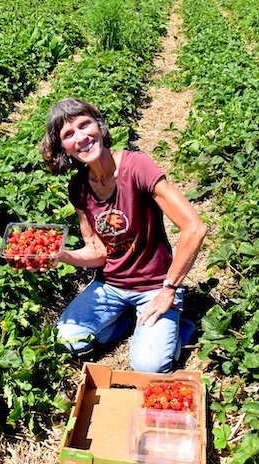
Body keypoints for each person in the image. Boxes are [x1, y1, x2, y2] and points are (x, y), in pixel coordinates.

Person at [39, 98, 206, 372]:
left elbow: (195, 228)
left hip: (154, 286)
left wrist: (169, 289)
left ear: (100, 126)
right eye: (68, 134)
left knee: (149, 367)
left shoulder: (136, 166)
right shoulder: (78, 187)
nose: (81, 137)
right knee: (67, 341)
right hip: (110, 285)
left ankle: (179, 325)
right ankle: (129, 321)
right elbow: (97, 250)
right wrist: (63, 255)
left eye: (84, 125)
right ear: (63, 148)